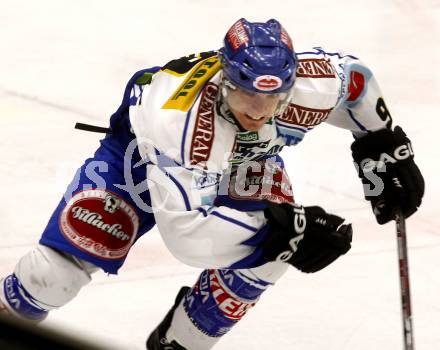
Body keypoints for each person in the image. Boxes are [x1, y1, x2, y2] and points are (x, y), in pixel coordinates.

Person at [0, 18, 424, 350]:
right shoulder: (180, 123)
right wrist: (289, 233)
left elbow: (356, 83)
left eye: (274, 99)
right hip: (141, 154)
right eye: (247, 97)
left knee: (267, 253)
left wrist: (381, 142)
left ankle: (180, 343)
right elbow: (189, 236)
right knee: (52, 275)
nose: (260, 112)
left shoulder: (308, 84)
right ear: (225, 80)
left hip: (246, 160)